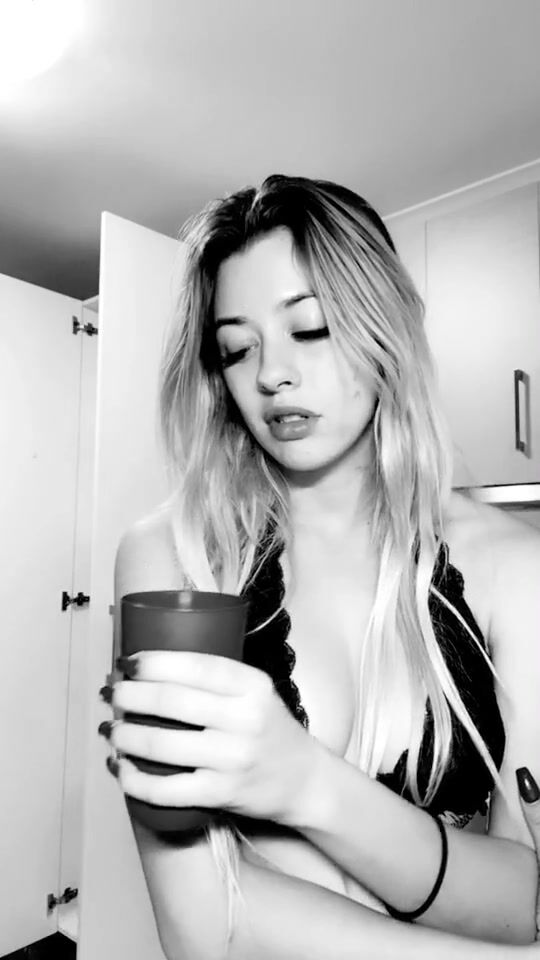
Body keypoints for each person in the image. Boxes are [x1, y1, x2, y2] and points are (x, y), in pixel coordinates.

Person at [98, 174, 540, 960]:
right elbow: (201, 927)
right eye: (237, 348)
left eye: (310, 329)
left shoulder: (516, 568)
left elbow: (523, 901)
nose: (271, 374)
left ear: (384, 326)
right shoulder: (176, 557)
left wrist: (305, 783)